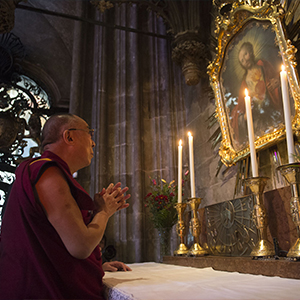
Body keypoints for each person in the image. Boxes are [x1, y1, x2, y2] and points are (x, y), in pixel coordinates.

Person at [0, 113, 131, 299]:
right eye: (89, 133)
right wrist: (104, 211)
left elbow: (51, 244)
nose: (93, 143)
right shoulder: (47, 172)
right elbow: (80, 245)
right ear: (69, 136)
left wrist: (94, 267)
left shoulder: (48, 173)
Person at [230, 41, 283, 145]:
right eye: (242, 60)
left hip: (273, 110)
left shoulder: (263, 65)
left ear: (251, 51)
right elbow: (240, 106)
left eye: (245, 54)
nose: (245, 59)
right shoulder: (245, 82)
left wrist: (278, 80)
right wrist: (241, 116)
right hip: (258, 120)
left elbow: (280, 76)